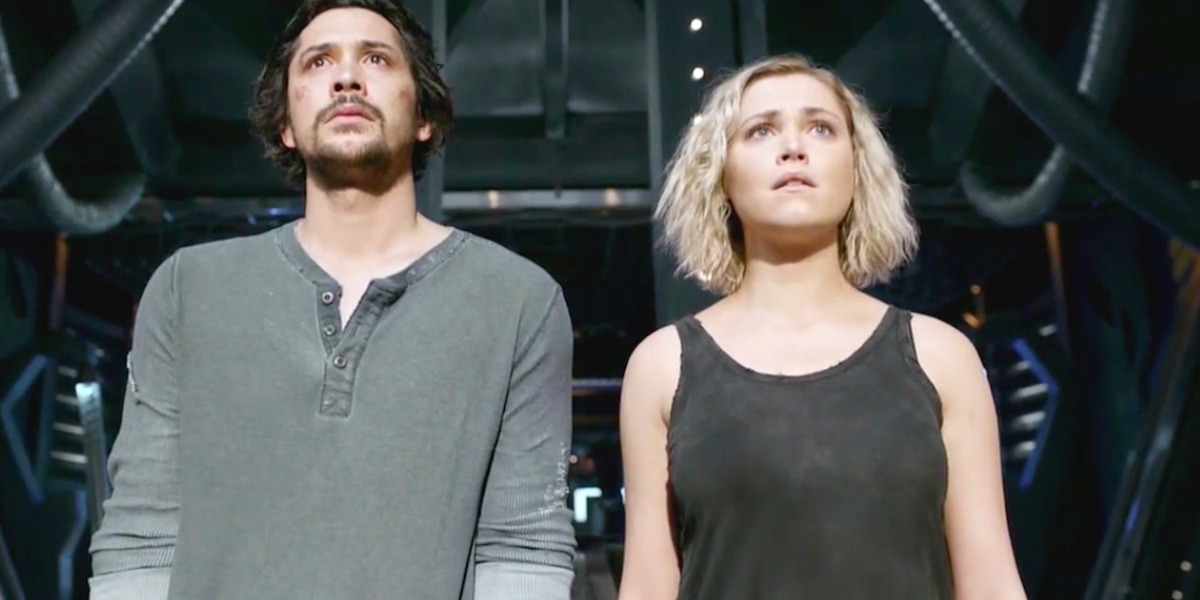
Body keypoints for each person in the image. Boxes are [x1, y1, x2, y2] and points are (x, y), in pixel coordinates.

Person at [88, 1, 577, 598]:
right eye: (318, 62)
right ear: (286, 126)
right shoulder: (187, 288)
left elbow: (524, 545)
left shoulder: (519, 301)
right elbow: (142, 531)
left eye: (375, 59)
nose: (346, 77)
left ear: (424, 115)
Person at [617, 54, 1028, 599]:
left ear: (856, 170)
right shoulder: (663, 366)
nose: (794, 147)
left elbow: (991, 582)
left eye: (820, 128)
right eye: (761, 130)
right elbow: (647, 585)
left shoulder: (940, 356)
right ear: (721, 178)